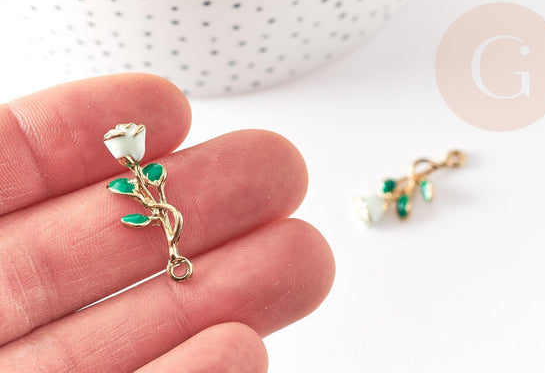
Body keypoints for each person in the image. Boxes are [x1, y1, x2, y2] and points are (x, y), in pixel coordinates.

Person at [0, 74, 335, 372]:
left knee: (162, 206)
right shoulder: (139, 178)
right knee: (159, 206)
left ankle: (172, 249)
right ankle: (172, 248)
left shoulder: (150, 177)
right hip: (149, 198)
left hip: (154, 202)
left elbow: (164, 208)